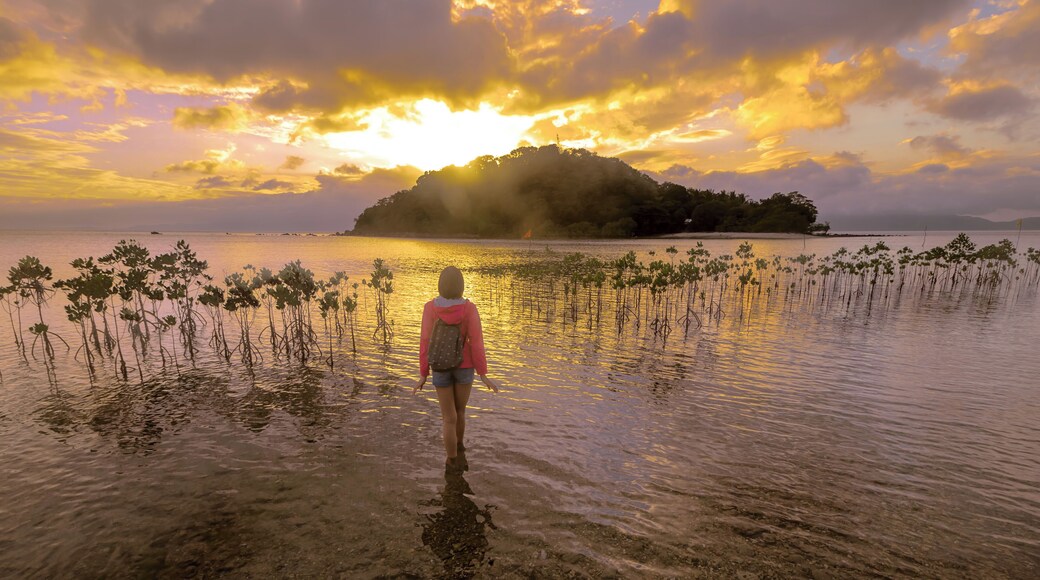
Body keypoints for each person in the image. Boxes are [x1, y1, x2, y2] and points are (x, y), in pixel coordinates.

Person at [414, 266, 499, 469]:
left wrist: (423, 373)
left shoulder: (430, 308)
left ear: (440, 285)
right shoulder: (469, 309)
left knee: (448, 418)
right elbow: (477, 341)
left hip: (440, 367)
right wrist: (483, 373)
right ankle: (460, 450)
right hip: (465, 367)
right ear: (461, 285)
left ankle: (451, 461)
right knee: (460, 412)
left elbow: (425, 341)